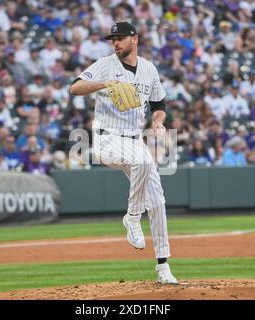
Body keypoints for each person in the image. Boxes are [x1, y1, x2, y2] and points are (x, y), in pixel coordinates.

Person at [69, 21, 177, 284]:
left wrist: (158, 121)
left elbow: (159, 104)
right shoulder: (105, 65)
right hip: (107, 139)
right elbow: (75, 87)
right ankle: (131, 217)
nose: (115, 43)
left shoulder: (149, 69)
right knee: (142, 161)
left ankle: (163, 266)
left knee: (159, 202)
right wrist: (103, 84)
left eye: (120, 38)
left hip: (134, 139)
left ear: (134, 39)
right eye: (112, 39)